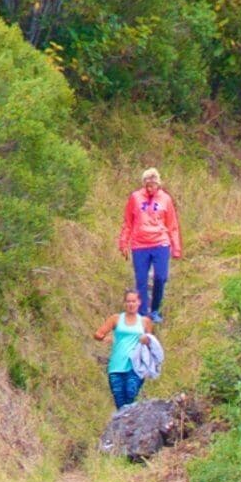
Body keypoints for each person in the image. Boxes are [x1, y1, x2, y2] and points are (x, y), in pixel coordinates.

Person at [119, 167, 181, 320]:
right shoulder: (135, 198)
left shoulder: (165, 199)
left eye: (153, 184)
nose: (150, 187)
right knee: (141, 280)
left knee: (160, 277)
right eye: (147, 184)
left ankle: (155, 309)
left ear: (158, 184)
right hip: (140, 245)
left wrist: (176, 247)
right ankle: (143, 314)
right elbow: (128, 222)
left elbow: (172, 225)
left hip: (160, 242)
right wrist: (123, 242)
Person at [92, 300, 160, 412]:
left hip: (135, 367)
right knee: (120, 402)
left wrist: (146, 340)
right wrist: (105, 338)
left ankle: (130, 425)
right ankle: (125, 426)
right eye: (128, 301)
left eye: (133, 301)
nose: (131, 304)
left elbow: (152, 345)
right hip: (116, 367)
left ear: (139, 303)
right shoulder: (116, 319)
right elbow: (98, 334)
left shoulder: (145, 322)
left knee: (130, 393)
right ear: (124, 303)